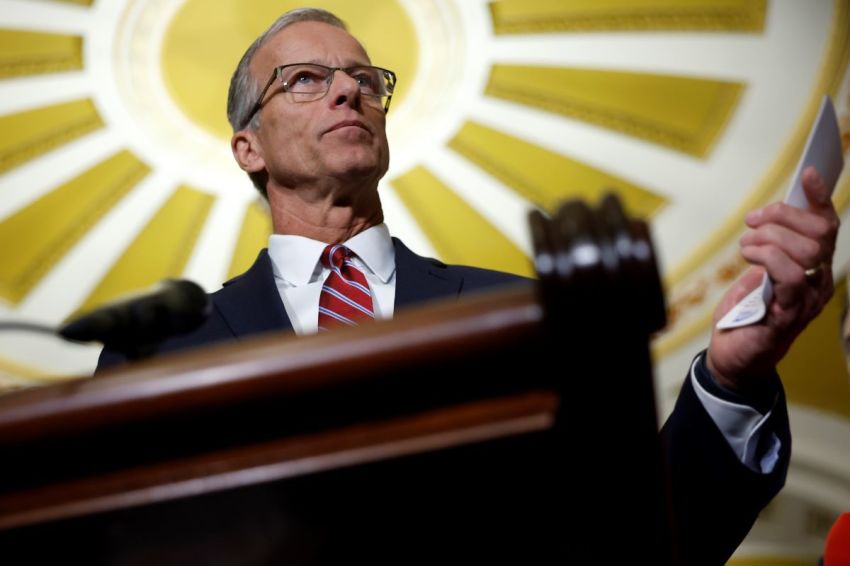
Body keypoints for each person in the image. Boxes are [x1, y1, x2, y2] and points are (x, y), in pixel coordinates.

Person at [96, 8, 842, 564]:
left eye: (365, 81)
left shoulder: (523, 315)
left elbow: (644, 541)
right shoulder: (160, 349)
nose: (347, 94)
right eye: (305, 81)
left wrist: (730, 378)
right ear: (246, 147)